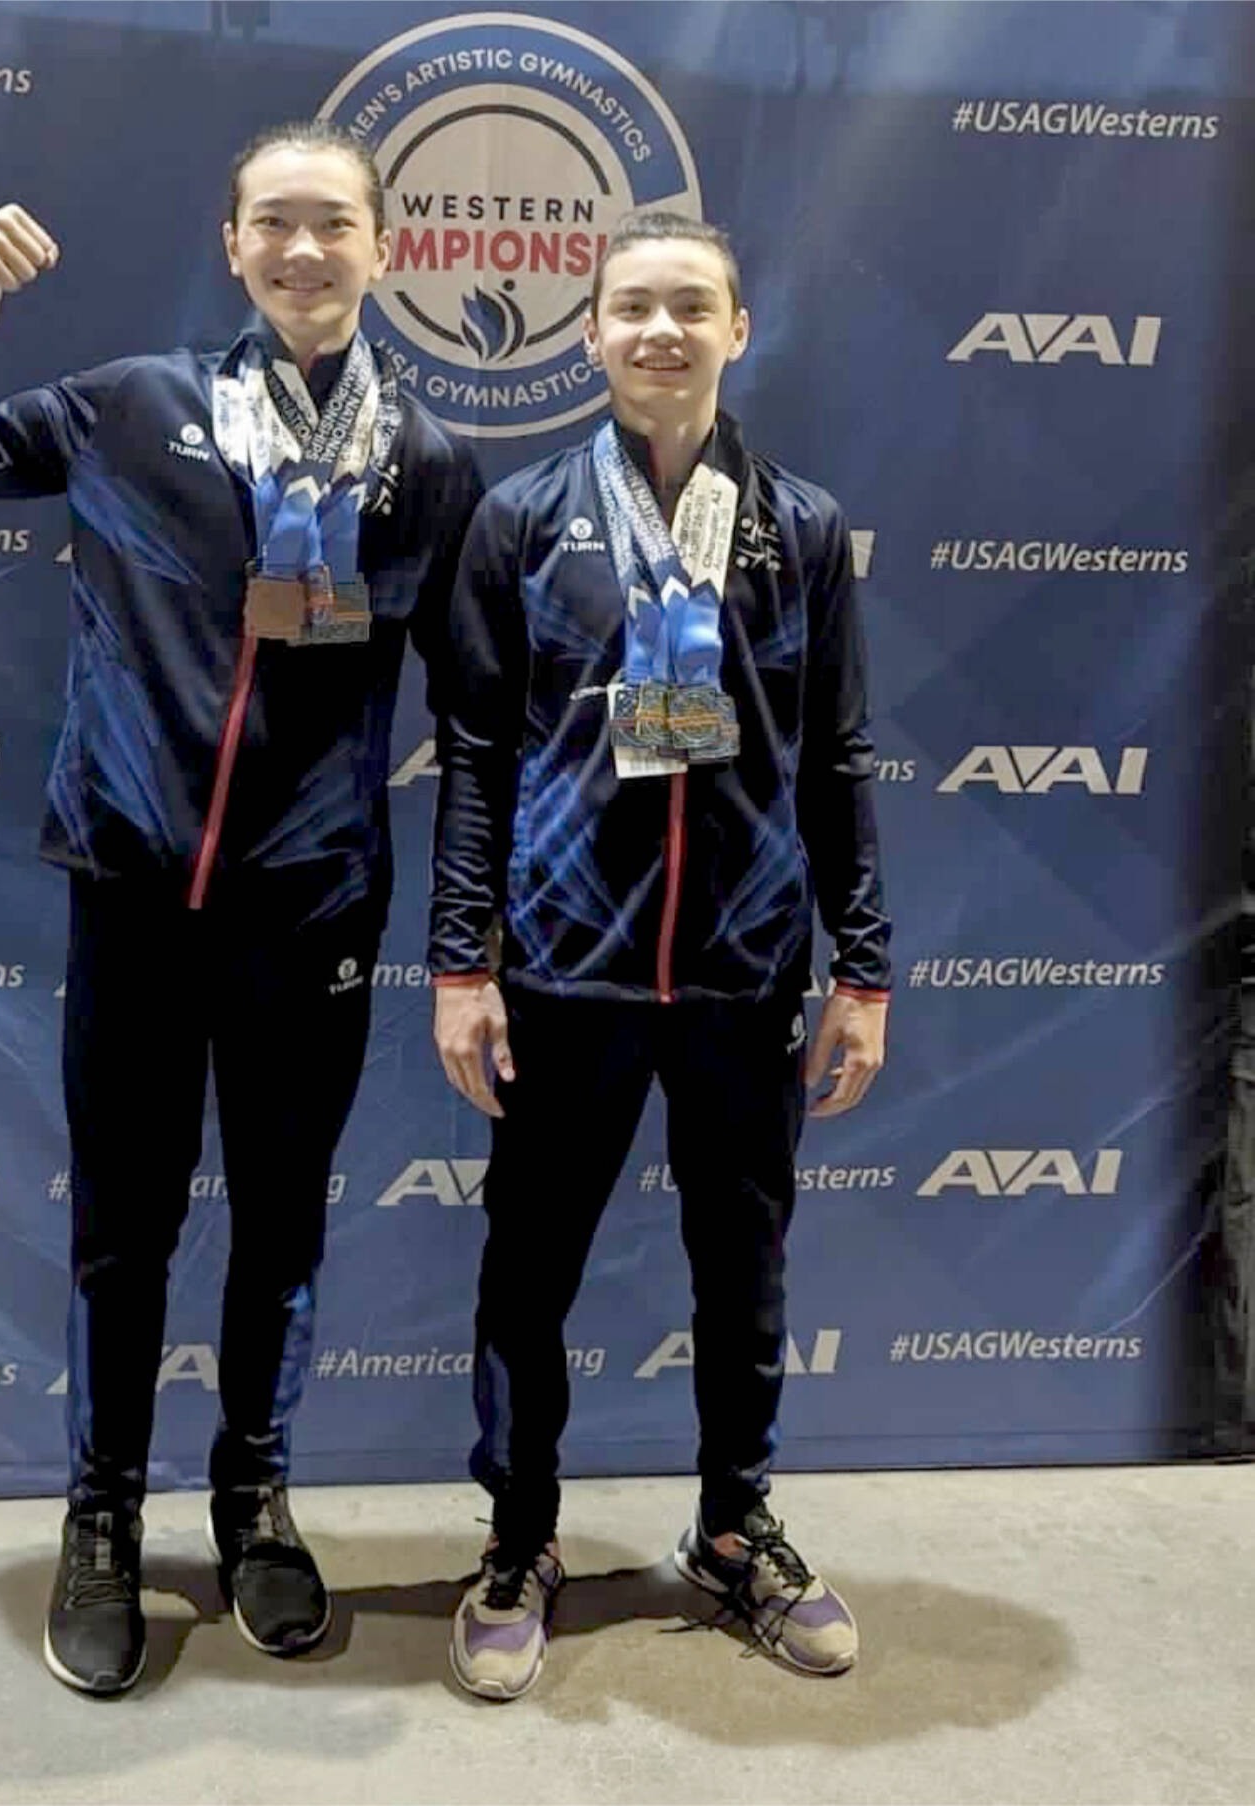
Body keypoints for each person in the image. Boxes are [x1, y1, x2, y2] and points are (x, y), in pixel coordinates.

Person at [0, 121, 481, 1696]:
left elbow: (479, 713)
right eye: (274, 223)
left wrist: (477, 934)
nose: (304, 250)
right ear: (232, 244)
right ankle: (99, 1517)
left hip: (315, 909)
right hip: (139, 897)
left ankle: (255, 1503)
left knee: (284, 1221)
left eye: (334, 224)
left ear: (384, 248)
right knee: (122, 1227)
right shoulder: (129, 406)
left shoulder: (424, 462)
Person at [428, 209, 891, 1701]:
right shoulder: (523, 520)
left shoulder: (802, 528)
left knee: (743, 1273)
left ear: (737, 330)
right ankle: (519, 1537)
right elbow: (478, 758)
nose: (660, 332)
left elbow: (839, 759)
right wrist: (460, 961)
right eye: (632, 306)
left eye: (691, 306)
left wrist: (863, 970)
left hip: (749, 972)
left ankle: (735, 1524)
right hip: (565, 971)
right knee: (528, 1273)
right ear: (592, 333)